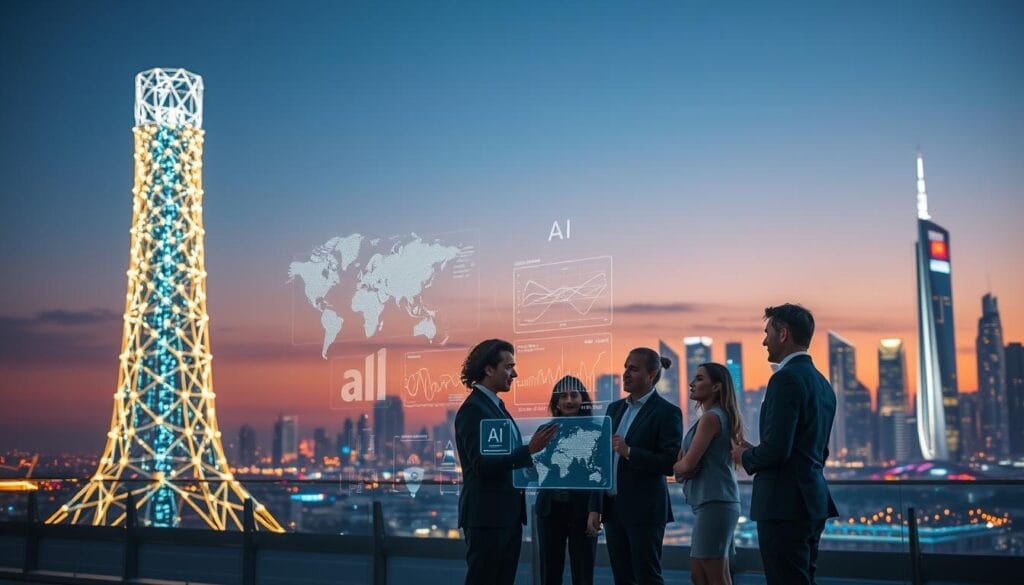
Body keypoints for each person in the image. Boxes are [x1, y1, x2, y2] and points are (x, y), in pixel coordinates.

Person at [731, 304, 839, 585]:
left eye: (767, 332)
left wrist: (744, 455)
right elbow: (814, 450)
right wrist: (754, 450)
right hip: (812, 501)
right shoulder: (822, 383)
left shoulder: (785, 379)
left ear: (784, 334)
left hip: (784, 505)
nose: (764, 341)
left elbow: (777, 451)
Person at [455, 339, 559, 585]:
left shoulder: (495, 407)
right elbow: (482, 466)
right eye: (509, 366)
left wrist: (534, 464)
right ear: (489, 369)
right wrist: (528, 450)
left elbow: (503, 461)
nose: (515, 374)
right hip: (487, 519)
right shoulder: (474, 410)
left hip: (505, 517)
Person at [596, 348, 683, 585]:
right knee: (622, 578)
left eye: (633, 369)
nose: (625, 373)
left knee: (647, 577)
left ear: (651, 374)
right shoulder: (614, 409)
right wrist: (596, 507)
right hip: (613, 510)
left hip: (644, 511)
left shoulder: (667, 412)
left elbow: (669, 462)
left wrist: (630, 452)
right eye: (625, 367)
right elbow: (602, 461)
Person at [672, 363, 743, 585]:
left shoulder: (711, 418)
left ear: (716, 387)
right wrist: (683, 466)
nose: (692, 384)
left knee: (710, 574)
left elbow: (687, 464)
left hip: (716, 503)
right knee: (706, 574)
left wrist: (677, 466)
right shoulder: (718, 416)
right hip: (715, 503)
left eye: (700, 378)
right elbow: (687, 465)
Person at [535, 375, 601, 585]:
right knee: (549, 573)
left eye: (574, 395)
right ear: (556, 402)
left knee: (583, 574)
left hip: (583, 511)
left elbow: (600, 475)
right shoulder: (544, 431)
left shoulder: (597, 432)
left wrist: (595, 509)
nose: (569, 400)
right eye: (563, 396)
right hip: (550, 510)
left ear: (583, 399)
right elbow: (536, 468)